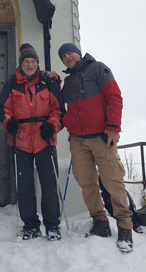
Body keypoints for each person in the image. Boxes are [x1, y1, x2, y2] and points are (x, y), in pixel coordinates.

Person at [57, 43, 134, 252]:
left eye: (70, 53)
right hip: (78, 140)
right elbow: (60, 106)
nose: (67, 57)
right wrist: (53, 81)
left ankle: (125, 226)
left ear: (78, 53)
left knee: (112, 181)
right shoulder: (68, 82)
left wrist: (113, 127)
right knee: (86, 182)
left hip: (102, 137)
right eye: (63, 56)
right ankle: (99, 221)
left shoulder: (98, 68)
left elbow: (114, 97)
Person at [0, 44, 63, 241]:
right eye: (26, 61)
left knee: (49, 184)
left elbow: (58, 109)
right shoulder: (11, 82)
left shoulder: (47, 81)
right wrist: (8, 122)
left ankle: (52, 225)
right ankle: (30, 225)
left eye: (33, 61)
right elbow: (2, 108)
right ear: (21, 63)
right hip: (21, 140)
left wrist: (52, 125)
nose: (30, 64)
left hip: (44, 139)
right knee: (25, 186)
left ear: (37, 63)